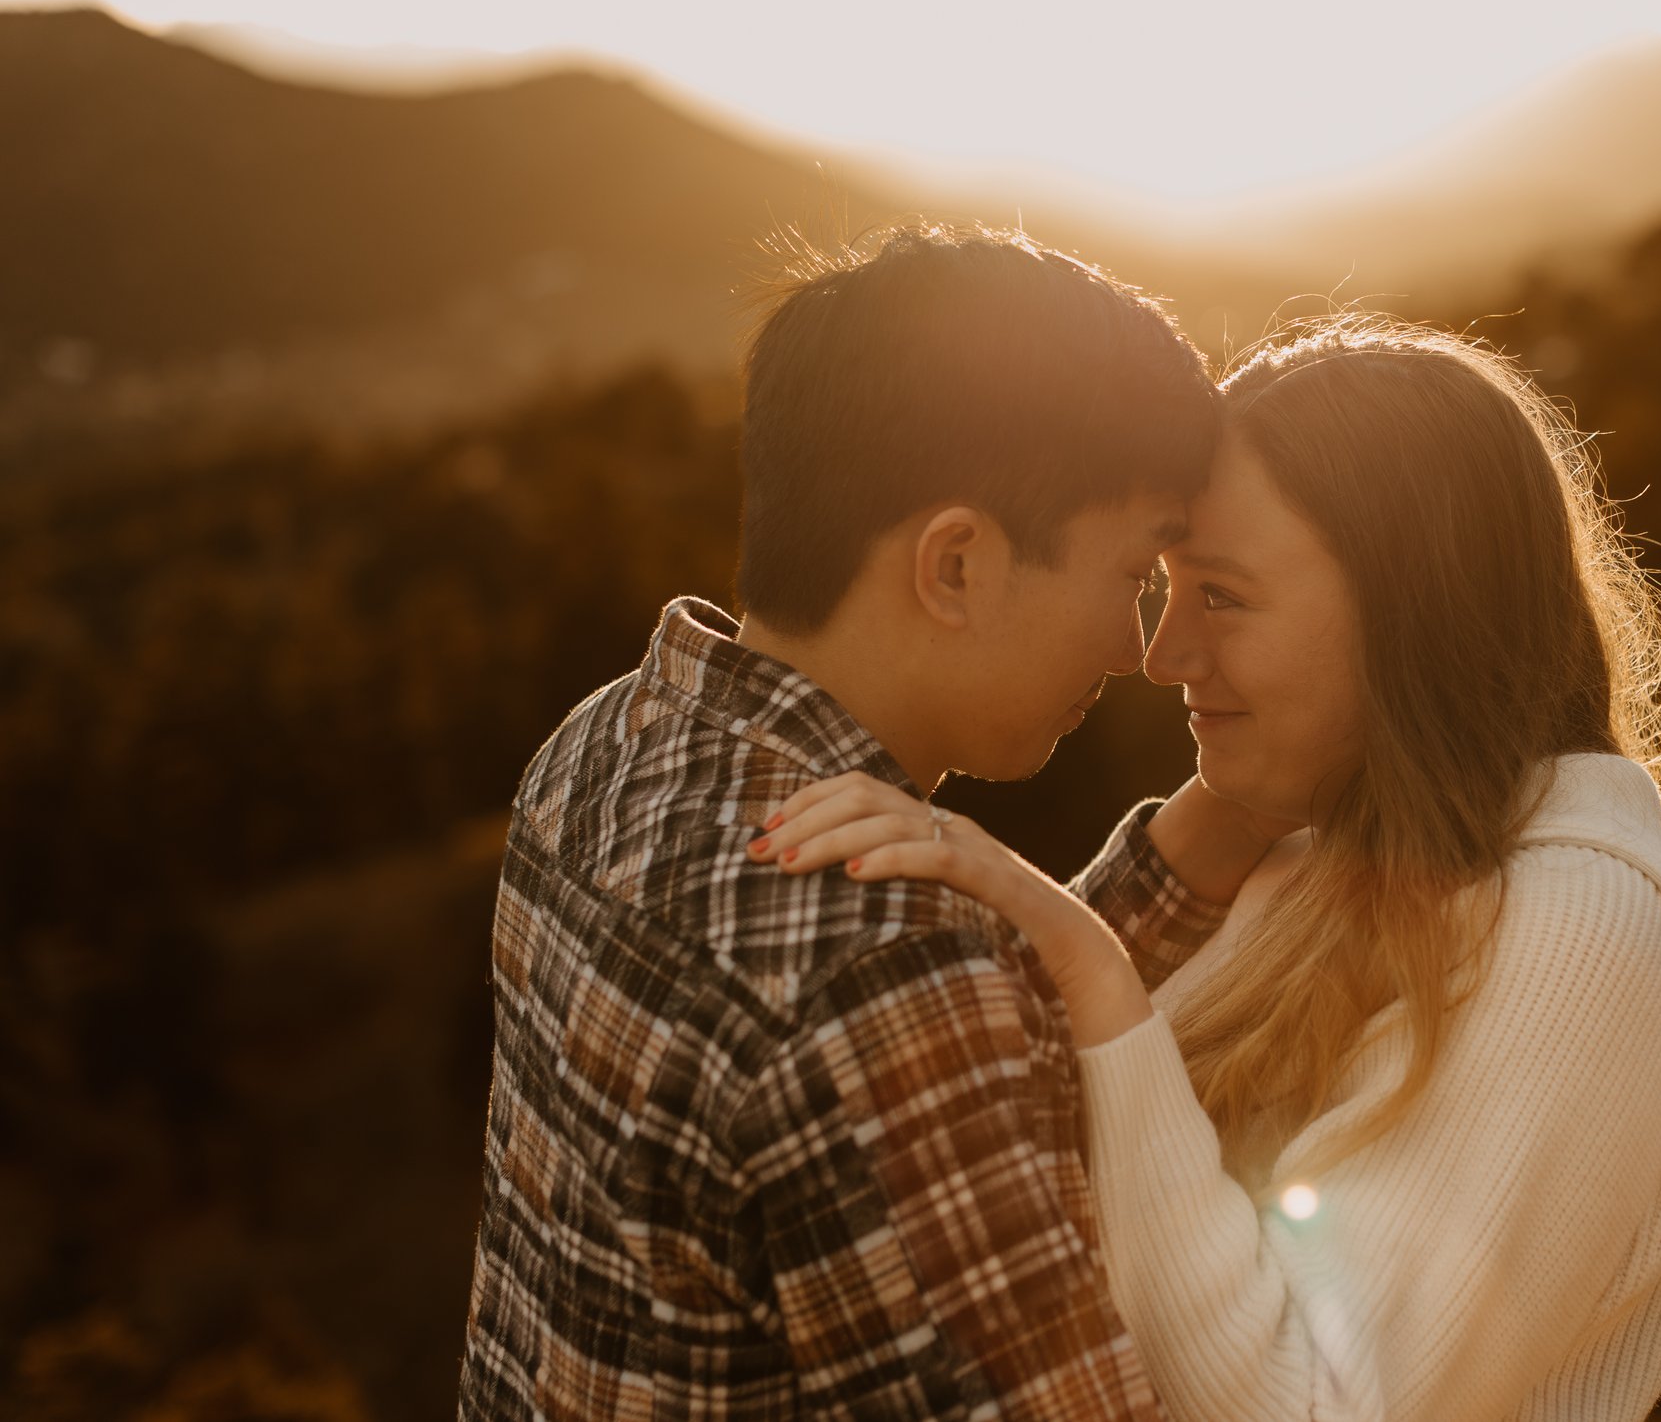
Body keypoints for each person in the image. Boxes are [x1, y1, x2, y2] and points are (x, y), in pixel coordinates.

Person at [764, 315, 1661, 1422]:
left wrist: (1089, 967)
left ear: (1412, 615)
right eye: (1162, 587)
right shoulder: (1311, 854)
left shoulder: (1577, 933)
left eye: (1221, 594)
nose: (1161, 655)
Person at [458, 222, 1271, 1422]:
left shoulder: (602, 745)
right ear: (954, 564)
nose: (1139, 645)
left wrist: (1238, 807)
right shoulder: (885, 974)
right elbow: (893, 1026)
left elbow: (937, 1051)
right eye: (1133, 574)